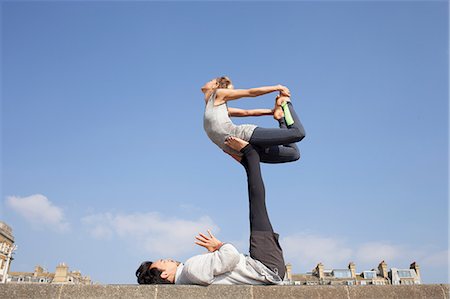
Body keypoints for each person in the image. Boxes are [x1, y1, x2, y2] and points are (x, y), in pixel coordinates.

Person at [136, 137, 286, 285]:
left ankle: (248, 163)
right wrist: (219, 245)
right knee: (257, 205)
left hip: (265, 270)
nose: (167, 259)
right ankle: (250, 153)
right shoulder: (189, 269)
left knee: (256, 205)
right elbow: (231, 257)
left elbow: (221, 275)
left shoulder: (187, 278)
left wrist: (213, 254)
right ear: (165, 274)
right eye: (163, 261)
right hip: (264, 267)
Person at [202, 76, 306, 164]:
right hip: (241, 149)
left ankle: (285, 102)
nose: (207, 81)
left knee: (297, 134)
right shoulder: (215, 109)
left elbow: (250, 92)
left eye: (210, 80)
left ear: (215, 85)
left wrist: (277, 87)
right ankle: (281, 118)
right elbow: (247, 112)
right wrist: (271, 112)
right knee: (294, 154)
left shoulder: (218, 95)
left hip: (242, 136)